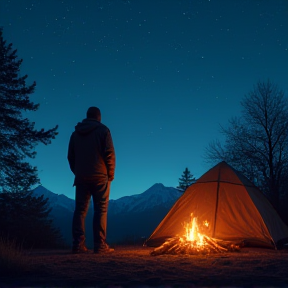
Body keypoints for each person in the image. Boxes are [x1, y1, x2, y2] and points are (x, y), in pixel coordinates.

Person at [68, 106, 115, 254]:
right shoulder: (103, 131)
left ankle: (78, 244)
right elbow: (109, 154)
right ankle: (100, 245)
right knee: (100, 209)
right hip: (100, 176)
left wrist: (78, 171)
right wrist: (110, 174)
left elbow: (71, 157)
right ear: (99, 117)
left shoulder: (75, 134)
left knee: (80, 210)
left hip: (81, 177)